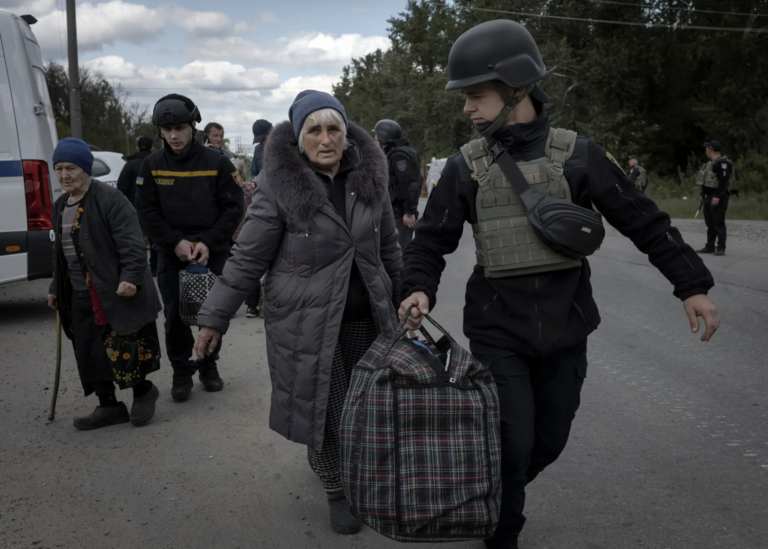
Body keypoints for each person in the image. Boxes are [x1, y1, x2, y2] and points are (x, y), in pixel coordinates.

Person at [397, 20, 720, 549]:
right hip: (498, 331)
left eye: (476, 95)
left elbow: (647, 222)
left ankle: (496, 494)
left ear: (517, 89)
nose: (467, 108)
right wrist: (418, 289)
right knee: (510, 444)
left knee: (547, 440)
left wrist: (692, 286)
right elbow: (430, 243)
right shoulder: (466, 167)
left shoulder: (578, 155)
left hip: (567, 329)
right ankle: (502, 533)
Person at [193, 91, 402, 535]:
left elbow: (389, 248)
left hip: (367, 317)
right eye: (314, 130)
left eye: (334, 129)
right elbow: (247, 258)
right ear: (298, 137)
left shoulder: (370, 178)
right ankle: (336, 489)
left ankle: (362, 476)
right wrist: (214, 318)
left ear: (346, 134)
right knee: (324, 408)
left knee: (365, 407)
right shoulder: (278, 185)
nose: (325, 139)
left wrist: (405, 296)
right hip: (305, 322)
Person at [46, 138, 162, 430]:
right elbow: (59, 255)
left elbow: (133, 243)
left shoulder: (110, 199)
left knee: (125, 347)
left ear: (85, 168)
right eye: (58, 169)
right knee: (89, 350)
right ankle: (108, 405)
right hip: (77, 292)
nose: (64, 175)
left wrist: (131, 277)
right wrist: (54, 288)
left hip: (113, 289)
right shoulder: (60, 205)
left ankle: (143, 392)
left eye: (70, 168)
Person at [136, 94, 244, 402]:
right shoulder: (152, 165)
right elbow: (146, 212)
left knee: (211, 314)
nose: (173, 135)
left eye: (180, 128)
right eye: (166, 129)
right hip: (172, 252)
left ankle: (208, 365)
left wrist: (208, 242)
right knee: (175, 316)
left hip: (212, 250)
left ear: (193, 126)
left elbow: (234, 207)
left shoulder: (217, 162)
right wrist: (175, 242)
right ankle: (181, 372)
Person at [372, 119, 422, 252]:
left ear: (384, 138)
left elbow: (410, 184)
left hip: (400, 211)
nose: (374, 139)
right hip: (397, 210)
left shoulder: (399, 156)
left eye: (376, 136)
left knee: (400, 251)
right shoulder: (399, 152)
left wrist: (409, 212)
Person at [118, 136, 158, 276]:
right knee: (156, 238)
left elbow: (121, 187)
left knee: (134, 239)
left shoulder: (130, 165)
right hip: (155, 208)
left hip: (133, 208)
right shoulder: (157, 162)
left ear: (137, 147)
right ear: (152, 148)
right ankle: (155, 267)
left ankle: (138, 268)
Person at [696, 140, 733, 256]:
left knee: (718, 222)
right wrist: (702, 195)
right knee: (710, 223)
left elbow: (724, 182)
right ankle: (710, 246)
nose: (706, 151)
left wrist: (717, 196)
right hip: (708, 196)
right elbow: (706, 182)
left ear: (710, 150)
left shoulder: (723, 163)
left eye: (707, 148)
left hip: (718, 196)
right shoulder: (710, 163)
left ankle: (721, 247)